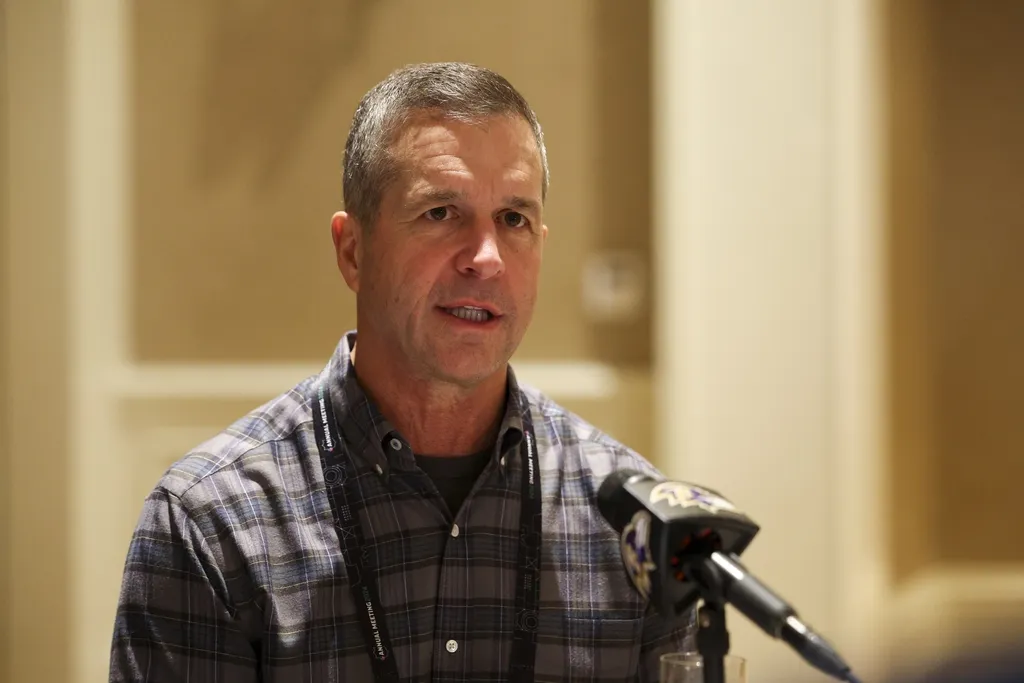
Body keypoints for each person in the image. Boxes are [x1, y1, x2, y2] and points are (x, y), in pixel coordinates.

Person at [109, 61, 695, 682]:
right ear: (353, 251)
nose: (487, 258)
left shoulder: (635, 525)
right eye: (441, 212)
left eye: (514, 219)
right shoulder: (211, 523)